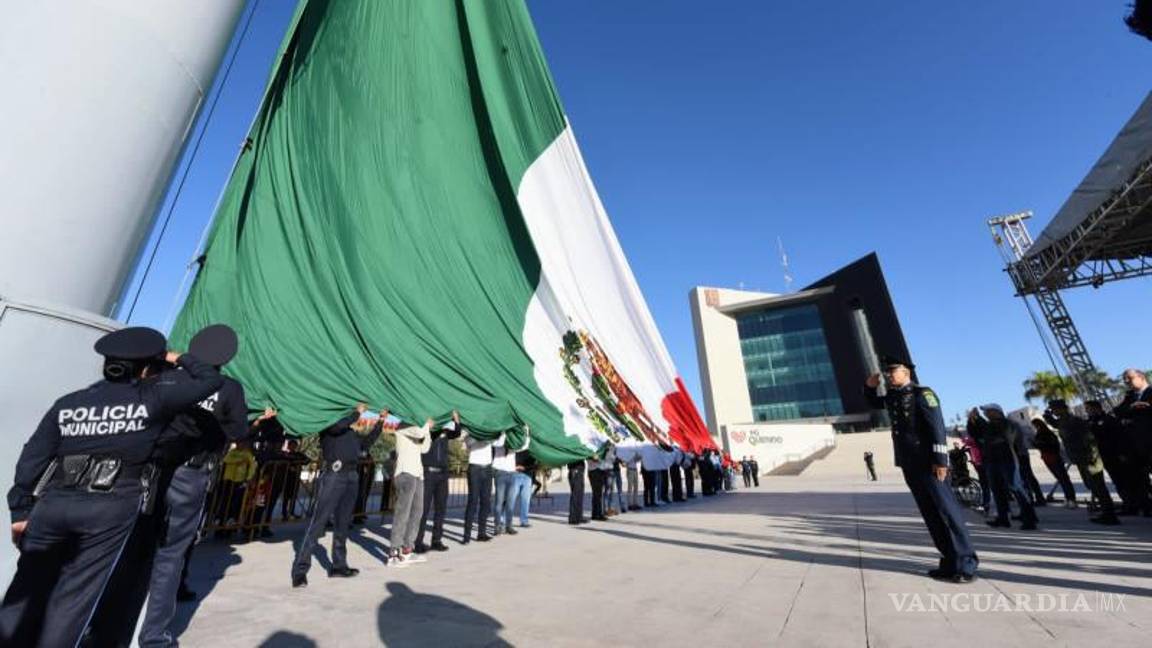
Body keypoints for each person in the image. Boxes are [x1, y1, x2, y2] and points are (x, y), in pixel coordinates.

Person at [0, 327, 222, 647]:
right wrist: (176, 357)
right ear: (147, 367)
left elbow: (33, 457)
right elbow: (209, 380)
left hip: (54, 503)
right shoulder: (153, 398)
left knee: (23, 594)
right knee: (72, 600)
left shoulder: (69, 403)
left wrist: (20, 509)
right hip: (110, 504)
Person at [137, 324, 259, 648]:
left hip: (150, 469)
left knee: (137, 545)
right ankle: (153, 637)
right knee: (171, 553)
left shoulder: (168, 378)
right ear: (225, 356)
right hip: (191, 476)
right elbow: (238, 433)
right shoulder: (228, 388)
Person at [865, 355, 978, 583]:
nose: (888, 375)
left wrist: (940, 460)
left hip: (930, 463)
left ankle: (966, 563)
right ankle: (948, 561)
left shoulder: (922, 394)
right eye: (887, 371)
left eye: (893, 370)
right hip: (910, 463)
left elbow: (936, 427)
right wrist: (869, 388)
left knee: (946, 511)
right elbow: (874, 404)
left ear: (906, 371)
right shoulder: (895, 397)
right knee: (930, 514)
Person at [291, 405, 383, 588]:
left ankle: (339, 565)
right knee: (318, 523)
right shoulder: (330, 424)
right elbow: (337, 427)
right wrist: (357, 412)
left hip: (351, 475)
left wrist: (380, 422)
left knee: (343, 524)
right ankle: (300, 571)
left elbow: (365, 443)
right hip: (335, 474)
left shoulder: (350, 432)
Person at [1045, 400, 1120, 525]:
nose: (1053, 411)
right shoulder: (1064, 421)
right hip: (1080, 459)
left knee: (1099, 486)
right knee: (1091, 485)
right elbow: (1057, 425)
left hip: (1089, 458)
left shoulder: (1075, 421)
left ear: (1062, 409)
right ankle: (1106, 511)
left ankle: (1109, 514)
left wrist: (1092, 456)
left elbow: (1089, 438)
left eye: (1055, 409)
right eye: (1052, 409)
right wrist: (1048, 418)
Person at [968, 404, 1038, 530]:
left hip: (1008, 460)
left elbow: (1006, 439)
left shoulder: (1008, 424)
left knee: (1016, 488)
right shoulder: (988, 426)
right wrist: (972, 420)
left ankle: (1029, 518)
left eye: (989, 411)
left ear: (997, 412)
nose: (986, 414)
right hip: (991, 461)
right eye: (985, 412)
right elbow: (975, 434)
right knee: (997, 490)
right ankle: (1003, 518)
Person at [415, 412, 462, 553]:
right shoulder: (429, 430)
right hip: (428, 472)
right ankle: (417, 542)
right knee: (423, 509)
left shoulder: (446, 432)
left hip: (443, 473)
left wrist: (456, 420)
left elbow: (457, 434)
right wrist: (438, 424)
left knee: (441, 508)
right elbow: (430, 433)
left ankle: (436, 540)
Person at [389, 417, 433, 566]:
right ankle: (394, 553)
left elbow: (425, 448)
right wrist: (427, 425)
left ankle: (407, 549)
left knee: (417, 512)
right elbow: (420, 433)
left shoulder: (417, 430)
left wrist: (428, 431)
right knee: (403, 513)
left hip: (417, 474)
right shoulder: (404, 425)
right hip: (405, 473)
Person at [1112, 369, 1152, 517]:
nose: (1126, 382)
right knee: (1140, 478)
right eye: (1125, 380)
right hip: (1135, 445)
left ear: (1141, 377)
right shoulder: (1130, 397)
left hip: (1150, 441)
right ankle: (1147, 507)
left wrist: (1145, 407)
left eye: (1129, 378)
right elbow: (1118, 411)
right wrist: (1133, 408)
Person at [462, 428, 502, 543]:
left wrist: (501, 432)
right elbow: (469, 443)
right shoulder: (470, 433)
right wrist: (480, 434)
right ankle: (466, 535)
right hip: (474, 468)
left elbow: (499, 442)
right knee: (473, 501)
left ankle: (481, 533)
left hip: (487, 468)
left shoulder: (490, 433)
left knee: (486, 501)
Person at [1031, 417, 1077, 507]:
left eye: (1035, 425)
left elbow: (1052, 445)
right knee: (1061, 479)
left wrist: (1038, 444)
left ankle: (1071, 499)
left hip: (1053, 457)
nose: (1034, 427)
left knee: (1064, 479)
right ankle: (1068, 498)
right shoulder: (1040, 433)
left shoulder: (1047, 433)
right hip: (1047, 458)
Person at [493, 429, 528, 535]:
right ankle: (497, 526)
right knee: (499, 502)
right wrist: (504, 433)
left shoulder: (514, 442)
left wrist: (526, 432)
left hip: (512, 473)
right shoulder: (498, 439)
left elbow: (523, 446)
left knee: (510, 502)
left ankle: (509, 526)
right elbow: (497, 443)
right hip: (500, 472)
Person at [280, 438, 311, 520]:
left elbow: (308, 460)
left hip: (295, 478)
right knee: (286, 497)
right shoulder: (286, 455)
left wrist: (298, 462)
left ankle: (291, 512)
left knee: (293, 496)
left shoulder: (298, 455)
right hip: (287, 477)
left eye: (294, 445)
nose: (293, 447)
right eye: (291, 445)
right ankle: (284, 513)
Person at [511, 431, 537, 528]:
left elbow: (535, 464)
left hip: (527, 476)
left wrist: (525, 468)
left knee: (526, 500)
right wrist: (516, 467)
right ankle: (504, 519)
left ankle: (524, 520)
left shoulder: (532, 448)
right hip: (516, 474)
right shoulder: (516, 445)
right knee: (511, 498)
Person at [567, 459, 588, 525]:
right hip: (575, 471)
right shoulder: (573, 449)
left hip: (579, 471)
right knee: (575, 495)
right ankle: (573, 518)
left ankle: (579, 516)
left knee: (580, 495)